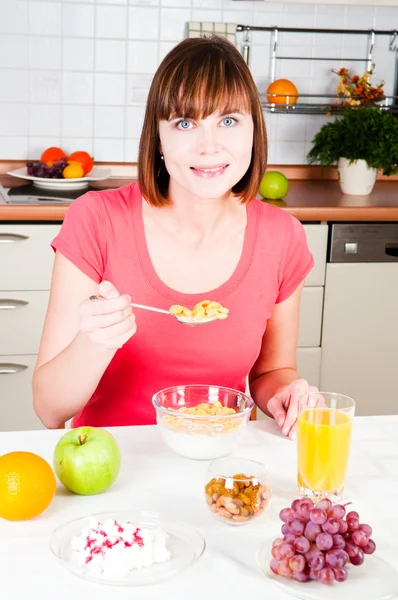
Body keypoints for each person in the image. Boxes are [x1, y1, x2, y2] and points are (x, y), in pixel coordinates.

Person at [33, 36, 316, 440]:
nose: (209, 146)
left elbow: (272, 371)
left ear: (255, 131)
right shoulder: (97, 221)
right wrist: (94, 343)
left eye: (229, 121)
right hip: (114, 470)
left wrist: (283, 395)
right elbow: (48, 409)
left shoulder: (282, 237)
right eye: (185, 123)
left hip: (223, 472)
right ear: (159, 138)